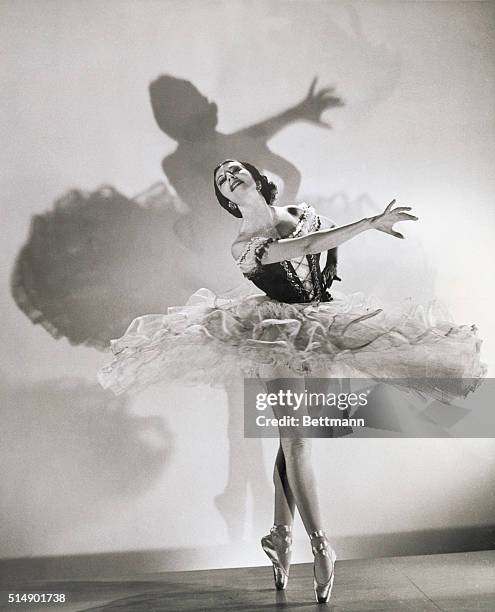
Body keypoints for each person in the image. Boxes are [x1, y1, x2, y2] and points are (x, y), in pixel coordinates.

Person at [98, 160, 484, 603]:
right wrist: (370, 223)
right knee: (296, 439)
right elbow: (311, 245)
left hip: (322, 326)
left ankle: (280, 537)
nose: (229, 176)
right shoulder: (243, 245)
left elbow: (324, 246)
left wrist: (334, 270)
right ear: (226, 199)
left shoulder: (301, 212)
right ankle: (321, 546)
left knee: (294, 441)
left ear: (256, 178)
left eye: (235, 169)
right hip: (274, 336)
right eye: (222, 179)